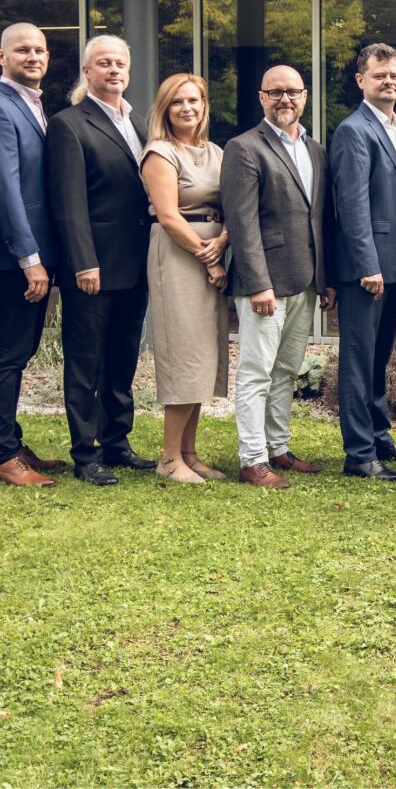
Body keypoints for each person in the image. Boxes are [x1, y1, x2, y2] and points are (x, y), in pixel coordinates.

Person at [47, 34, 155, 485]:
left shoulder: (140, 123)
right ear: (87, 71)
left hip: (136, 264)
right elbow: (68, 202)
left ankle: (117, 442)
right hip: (93, 267)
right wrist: (83, 263)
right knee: (85, 363)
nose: (113, 70)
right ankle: (85, 453)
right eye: (104, 63)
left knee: (122, 358)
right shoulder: (69, 124)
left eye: (120, 63)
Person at [222, 65, 335, 489]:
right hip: (265, 282)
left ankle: (277, 447)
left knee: (286, 368)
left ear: (305, 96)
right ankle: (252, 460)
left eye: (293, 91)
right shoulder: (243, 148)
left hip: (305, 278)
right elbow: (242, 222)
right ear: (261, 97)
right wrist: (258, 283)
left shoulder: (315, 149)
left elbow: (320, 219)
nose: (284, 99)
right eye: (275, 92)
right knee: (257, 371)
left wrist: (325, 279)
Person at [0, 23, 65, 488]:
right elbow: (3, 190)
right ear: (0, 57)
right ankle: (2, 455)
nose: (33, 56)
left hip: (33, 256)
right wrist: (30, 259)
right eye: (22, 49)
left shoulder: (33, 105)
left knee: (21, 350)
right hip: (12, 260)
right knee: (7, 353)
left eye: (39, 49)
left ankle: (12, 442)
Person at [328, 43, 396, 481]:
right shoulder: (354, 130)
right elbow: (352, 205)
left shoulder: (395, 128)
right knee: (359, 360)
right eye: (379, 75)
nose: (388, 82)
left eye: (394, 76)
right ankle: (360, 454)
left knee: (379, 357)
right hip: (368, 269)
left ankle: (380, 435)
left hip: (395, 263)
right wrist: (368, 265)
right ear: (360, 80)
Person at [140, 73, 229, 484]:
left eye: (194, 100)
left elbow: (232, 205)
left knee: (203, 355)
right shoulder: (160, 153)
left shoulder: (216, 152)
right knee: (182, 354)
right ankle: (169, 457)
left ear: (204, 105)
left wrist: (223, 241)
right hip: (178, 256)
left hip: (214, 250)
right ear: (165, 109)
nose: (187, 108)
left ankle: (190, 454)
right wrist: (208, 258)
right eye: (177, 102)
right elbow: (169, 216)